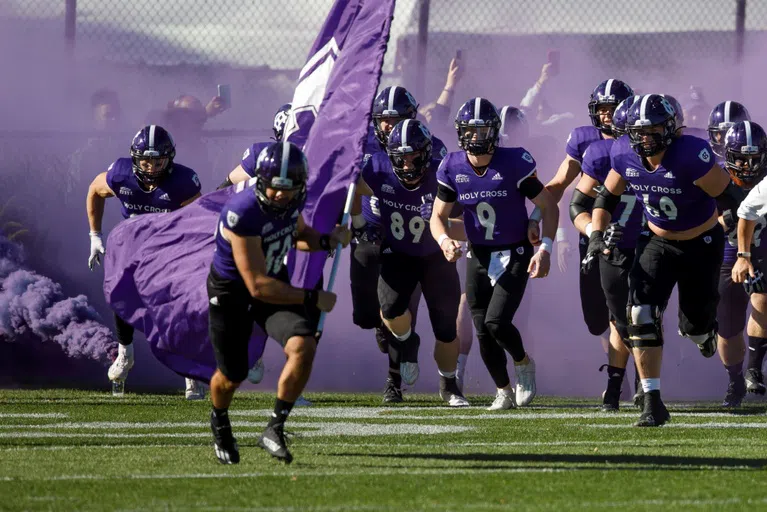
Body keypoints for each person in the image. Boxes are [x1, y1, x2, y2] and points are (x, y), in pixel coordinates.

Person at [585, 94, 735, 426]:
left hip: (702, 242)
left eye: (653, 130)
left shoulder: (690, 154)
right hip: (655, 240)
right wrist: (596, 233)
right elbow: (605, 196)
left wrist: (735, 230)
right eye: (639, 132)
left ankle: (703, 331)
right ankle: (652, 401)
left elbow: (729, 195)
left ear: (670, 129)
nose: (645, 138)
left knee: (694, 326)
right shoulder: (623, 152)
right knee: (639, 312)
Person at [207, 141, 350, 465]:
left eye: (289, 189)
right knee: (233, 375)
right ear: (261, 182)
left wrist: (327, 239)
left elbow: (299, 235)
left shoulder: (290, 204)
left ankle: (274, 427)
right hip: (234, 292)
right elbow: (256, 286)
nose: (281, 196)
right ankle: (219, 419)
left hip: (273, 284)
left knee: (303, 346)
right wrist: (312, 297)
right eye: (275, 189)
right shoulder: (241, 213)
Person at [433, 97, 559, 409]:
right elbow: (437, 216)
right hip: (478, 254)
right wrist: (444, 241)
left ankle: (523, 362)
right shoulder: (452, 166)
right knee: (482, 331)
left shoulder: (514, 160)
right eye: (470, 130)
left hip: (514, 250)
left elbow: (548, 205)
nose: (475, 137)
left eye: (482, 130)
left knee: (496, 322)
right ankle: (503, 390)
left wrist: (544, 248)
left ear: (494, 131)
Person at [353, 119, 468, 406]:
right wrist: (358, 225)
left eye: (413, 157)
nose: (407, 166)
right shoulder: (377, 168)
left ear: (427, 153)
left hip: (436, 256)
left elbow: (468, 219)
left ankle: (449, 386)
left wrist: (451, 239)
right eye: (400, 159)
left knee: (445, 328)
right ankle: (403, 355)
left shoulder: (444, 173)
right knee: (390, 312)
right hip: (399, 252)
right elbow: (353, 190)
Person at [86, 125, 204, 399]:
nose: (151, 167)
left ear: (169, 159)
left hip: (170, 245)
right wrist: (95, 235)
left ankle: (189, 371)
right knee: (120, 294)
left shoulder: (183, 182)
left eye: (158, 160)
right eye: (146, 160)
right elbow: (94, 189)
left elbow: (198, 220)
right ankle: (126, 354)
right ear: (135, 158)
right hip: (133, 242)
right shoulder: (121, 174)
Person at [531, 79, 634, 360]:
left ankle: (628, 376)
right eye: (601, 108)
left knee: (631, 311)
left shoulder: (642, 139)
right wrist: (536, 214)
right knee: (596, 318)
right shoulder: (585, 140)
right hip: (593, 234)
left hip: (637, 234)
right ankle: (616, 363)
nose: (606, 114)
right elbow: (559, 184)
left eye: (612, 109)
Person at [573, 96, 644, 410]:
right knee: (617, 319)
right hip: (613, 246)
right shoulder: (603, 153)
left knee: (643, 313)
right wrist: (595, 234)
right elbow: (578, 204)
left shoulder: (670, 154)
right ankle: (617, 385)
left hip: (650, 243)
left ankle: (641, 382)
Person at [725, 121, 767, 399]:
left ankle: (753, 369)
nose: (747, 165)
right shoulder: (714, 175)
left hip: (762, 247)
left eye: (754, 158)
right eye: (741, 157)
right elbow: (745, 214)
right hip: (727, 251)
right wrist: (743, 255)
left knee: (762, 297)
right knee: (725, 324)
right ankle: (735, 378)